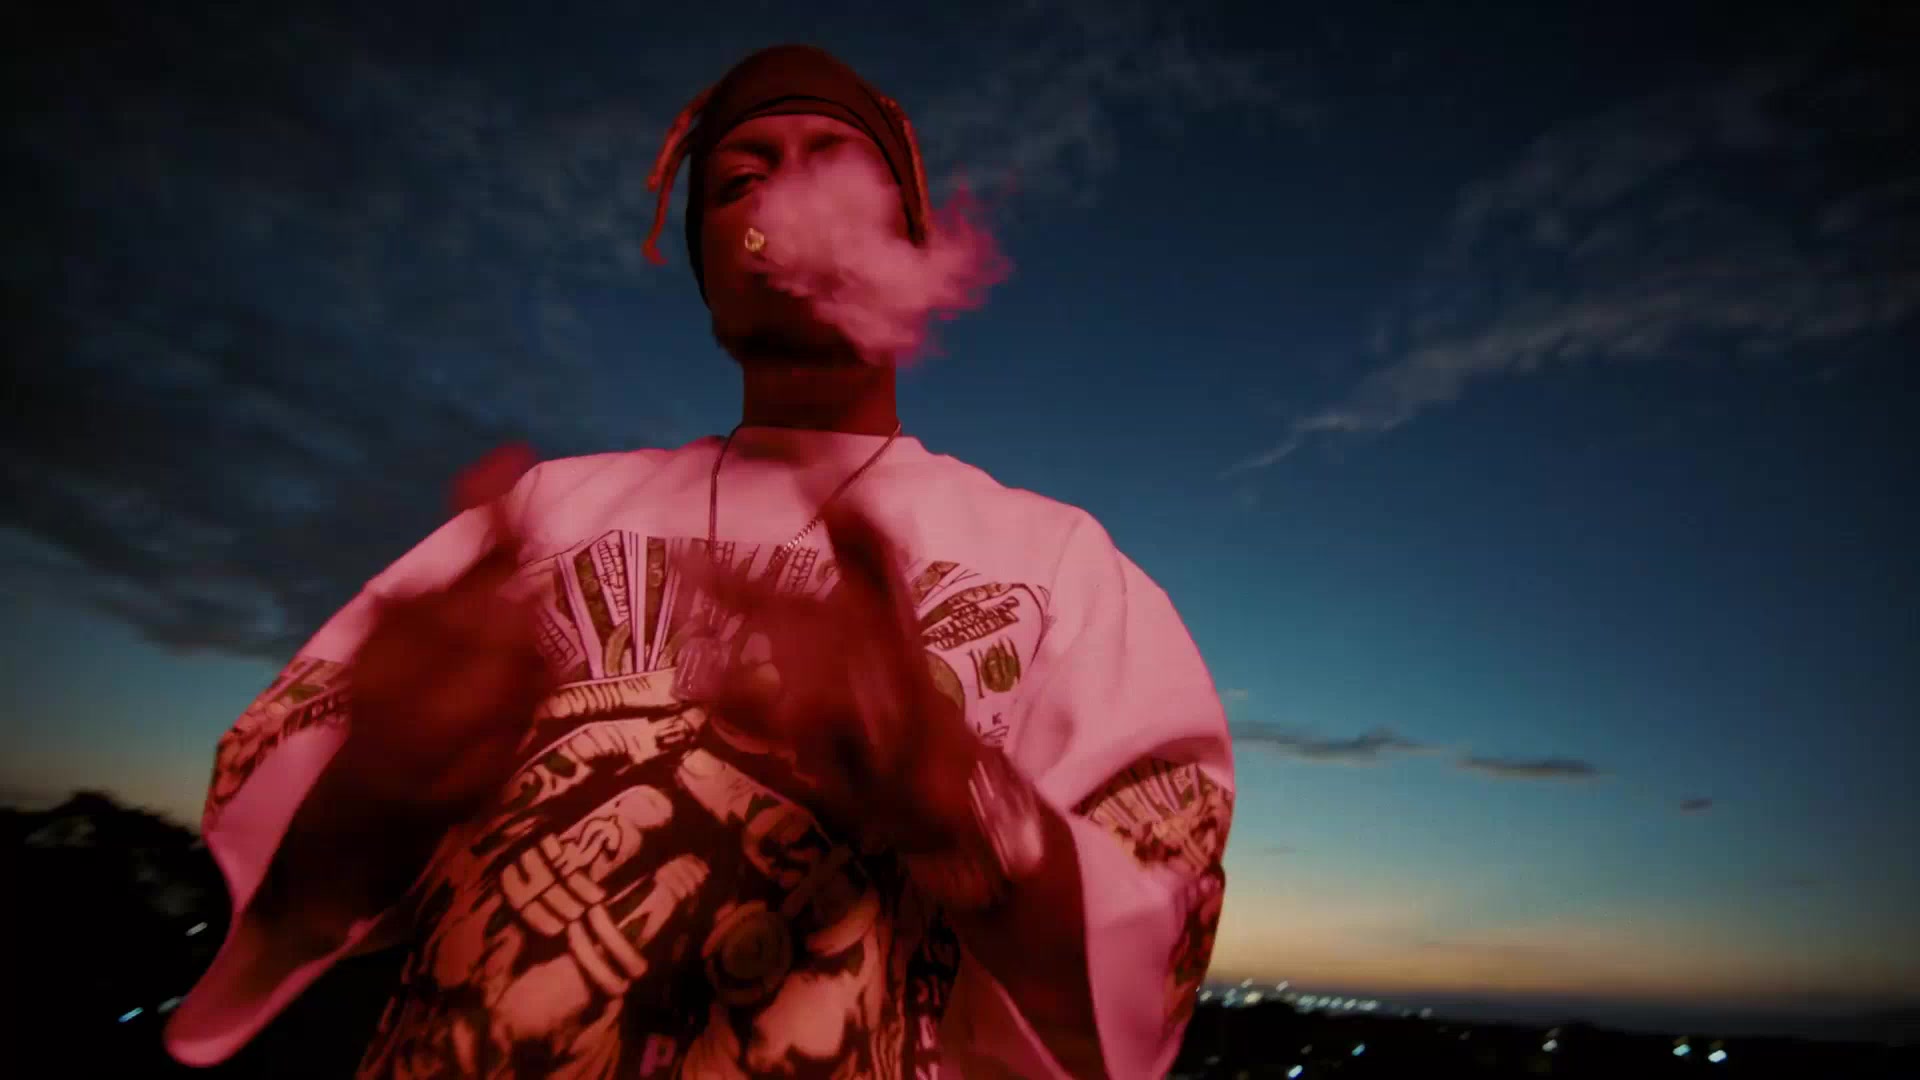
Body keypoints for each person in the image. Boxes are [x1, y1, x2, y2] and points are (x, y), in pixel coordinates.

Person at [164, 43, 1234, 1079]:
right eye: (738, 182)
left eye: (831, 160)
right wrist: (379, 784)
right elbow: (288, 880)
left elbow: (1149, 979)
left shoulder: (1060, 566)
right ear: (709, 264)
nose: (784, 198)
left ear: (911, 232)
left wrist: (958, 804)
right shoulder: (543, 515)